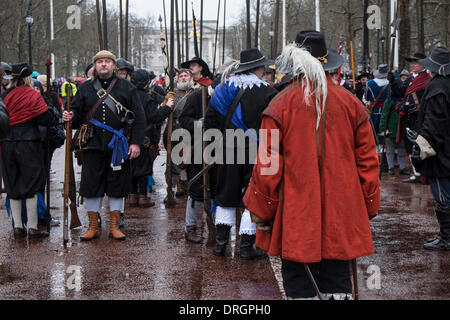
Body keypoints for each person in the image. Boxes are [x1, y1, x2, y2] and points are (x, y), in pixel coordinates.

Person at [243, 31, 380, 300]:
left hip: (294, 214)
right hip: (342, 211)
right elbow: (368, 162)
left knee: (299, 283)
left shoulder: (277, 106)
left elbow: (267, 168)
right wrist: (367, 205)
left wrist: (264, 210)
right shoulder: (352, 104)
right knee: (338, 281)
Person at [62, 50, 145, 241]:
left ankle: (114, 226)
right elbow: (75, 113)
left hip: (118, 144)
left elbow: (139, 117)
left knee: (117, 185)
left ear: (114, 65)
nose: (104, 65)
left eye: (107, 61)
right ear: (95, 66)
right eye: (100, 62)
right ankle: (92, 226)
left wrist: (136, 143)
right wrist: (69, 116)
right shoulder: (84, 88)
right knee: (91, 185)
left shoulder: (127, 87)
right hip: (92, 143)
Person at [205, 48, 278, 259]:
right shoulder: (268, 93)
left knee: (226, 195)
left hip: (227, 148)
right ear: (260, 68)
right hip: (257, 151)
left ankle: (220, 245)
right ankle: (246, 248)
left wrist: (214, 146)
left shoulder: (222, 89)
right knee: (251, 196)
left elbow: (211, 122)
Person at [1, 63, 57, 239]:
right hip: (29, 144)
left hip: (8, 143)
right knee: (32, 184)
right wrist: (49, 107)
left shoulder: (4, 96)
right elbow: (45, 119)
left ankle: (18, 226)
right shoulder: (32, 95)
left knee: (12, 183)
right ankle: (32, 227)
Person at [409, 47, 450, 250]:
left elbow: (435, 121)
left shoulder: (437, 87)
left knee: (442, 194)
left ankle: (447, 237)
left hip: (441, 152)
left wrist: (422, 146)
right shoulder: (443, 84)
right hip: (445, 147)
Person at [178, 58, 214, 243]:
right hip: (198, 148)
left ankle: (217, 227)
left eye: (194, 65)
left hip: (220, 147)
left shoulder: (219, 92)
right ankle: (190, 226)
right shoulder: (195, 96)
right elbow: (183, 120)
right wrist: (199, 124)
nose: (191, 68)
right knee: (198, 189)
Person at [129, 68, 173, 207]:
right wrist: (167, 108)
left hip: (129, 136)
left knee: (131, 167)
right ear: (147, 82)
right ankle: (142, 197)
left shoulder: (128, 95)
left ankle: (132, 196)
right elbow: (155, 117)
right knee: (143, 168)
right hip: (145, 137)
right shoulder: (147, 98)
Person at [389, 52, 431, 184]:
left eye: (415, 62)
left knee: (419, 146)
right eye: (412, 62)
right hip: (408, 117)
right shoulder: (411, 79)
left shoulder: (427, 78)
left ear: (423, 64)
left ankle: (423, 174)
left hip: (419, 118)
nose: (412, 64)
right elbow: (401, 92)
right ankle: (416, 173)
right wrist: (392, 81)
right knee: (410, 146)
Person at [163, 68, 196, 199]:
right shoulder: (172, 94)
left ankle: (189, 187)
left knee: (191, 161)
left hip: (192, 132)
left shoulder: (197, 93)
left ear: (191, 78)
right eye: (180, 76)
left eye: (186, 75)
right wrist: (167, 103)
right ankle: (169, 190)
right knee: (173, 163)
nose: (183, 78)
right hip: (175, 131)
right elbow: (163, 112)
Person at [379, 82, 408, 176]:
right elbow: (384, 116)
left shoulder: (405, 100)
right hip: (390, 128)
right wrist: (383, 129)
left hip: (402, 128)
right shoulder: (389, 101)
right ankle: (391, 167)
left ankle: (402, 168)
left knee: (402, 149)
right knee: (390, 149)